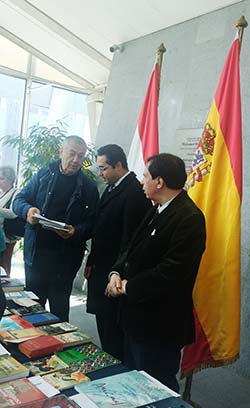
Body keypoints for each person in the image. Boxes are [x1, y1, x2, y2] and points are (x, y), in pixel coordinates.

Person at [106, 153, 206, 392]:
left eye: (145, 176)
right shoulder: (158, 208)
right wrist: (115, 273)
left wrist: (128, 286)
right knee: (133, 384)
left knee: (156, 390)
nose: (141, 181)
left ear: (159, 182)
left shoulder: (190, 218)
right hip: (135, 318)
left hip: (160, 326)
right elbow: (130, 247)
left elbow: (171, 273)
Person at [13, 135, 99, 322]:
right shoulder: (43, 174)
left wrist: (76, 231)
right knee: (33, 310)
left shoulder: (89, 187)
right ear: (61, 151)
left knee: (59, 313)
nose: (76, 160)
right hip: (36, 256)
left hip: (65, 260)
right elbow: (18, 200)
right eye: (72, 154)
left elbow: (93, 223)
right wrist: (28, 211)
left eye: (81, 156)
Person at [86, 144, 152, 360]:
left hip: (113, 277)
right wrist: (91, 260)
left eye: (103, 168)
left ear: (119, 165)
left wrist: (116, 275)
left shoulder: (133, 192)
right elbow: (100, 228)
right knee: (104, 330)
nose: (100, 173)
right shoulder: (112, 187)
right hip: (100, 269)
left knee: (114, 337)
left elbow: (129, 242)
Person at [0, 166, 20, 276]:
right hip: (0, 234)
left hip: (7, 235)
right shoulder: (0, 192)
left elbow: (14, 213)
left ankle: (7, 287)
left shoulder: (16, 193)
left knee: (5, 263)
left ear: (10, 179)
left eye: (1, 178)